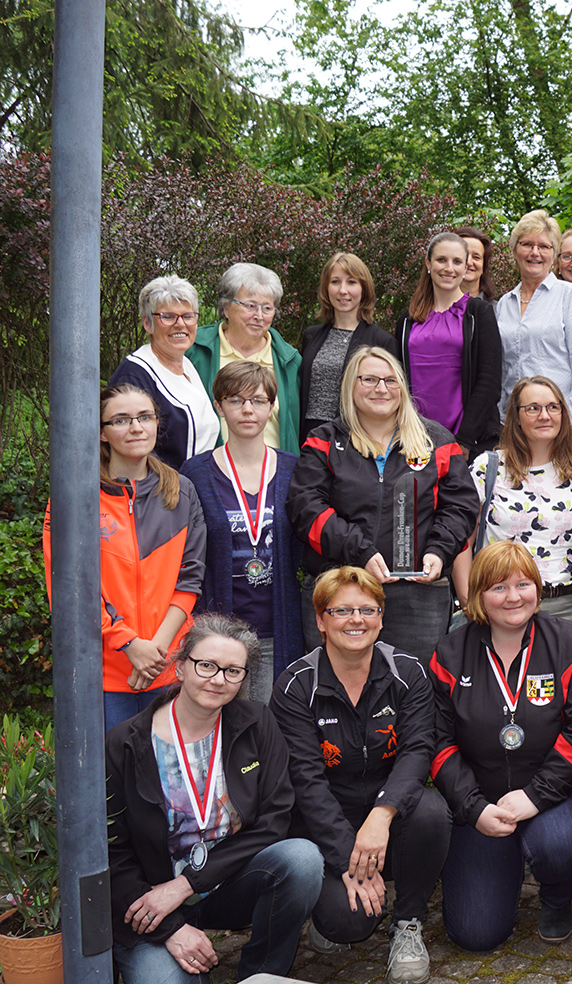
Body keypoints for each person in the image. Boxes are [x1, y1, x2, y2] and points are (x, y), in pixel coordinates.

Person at [105, 616, 323, 983]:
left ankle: (262, 975)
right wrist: (172, 927)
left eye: (233, 671)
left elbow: (275, 821)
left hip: (225, 883)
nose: (218, 679)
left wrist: (187, 884)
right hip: (152, 903)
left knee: (302, 860)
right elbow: (111, 851)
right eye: (206, 665)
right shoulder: (126, 743)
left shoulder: (257, 724)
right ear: (180, 667)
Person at [269, 567, 450, 983]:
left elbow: (418, 750)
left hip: (387, 809)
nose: (356, 619)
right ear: (320, 620)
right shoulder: (296, 686)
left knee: (432, 811)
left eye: (367, 609)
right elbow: (306, 782)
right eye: (342, 610)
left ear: (381, 618)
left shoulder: (408, 672)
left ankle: (408, 922)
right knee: (349, 925)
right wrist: (352, 862)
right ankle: (328, 899)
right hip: (324, 819)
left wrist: (382, 815)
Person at [430, 541, 572, 949]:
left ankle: (556, 895)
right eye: (498, 587)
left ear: (538, 589)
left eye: (523, 584)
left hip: (555, 793)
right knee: (475, 935)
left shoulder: (570, 643)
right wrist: (474, 808)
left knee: (560, 847)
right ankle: (503, 858)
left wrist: (535, 797)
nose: (513, 597)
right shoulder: (449, 653)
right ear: (478, 596)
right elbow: (437, 742)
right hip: (481, 799)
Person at [289, 347, 478, 661]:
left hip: (418, 596)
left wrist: (439, 551)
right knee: (335, 692)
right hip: (340, 590)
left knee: (413, 692)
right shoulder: (323, 441)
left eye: (391, 381)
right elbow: (305, 509)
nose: (381, 389)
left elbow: (462, 507)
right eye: (370, 379)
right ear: (350, 385)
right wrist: (360, 551)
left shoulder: (438, 442)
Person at [45, 384, 206, 728]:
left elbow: (190, 579)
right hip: (101, 674)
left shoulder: (181, 491)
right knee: (111, 779)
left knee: (167, 778)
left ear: (156, 423)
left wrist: (157, 652)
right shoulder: (74, 496)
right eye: (120, 420)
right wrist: (130, 645)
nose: (135, 428)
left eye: (144, 417)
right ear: (102, 433)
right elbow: (68, 588)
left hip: (169, 667)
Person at [182, 362, 302, 704]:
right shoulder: (196, 473)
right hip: (219, 630)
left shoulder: (295, 469)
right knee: (220, 721)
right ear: (219, 406)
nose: (248, 410)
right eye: (235, 400)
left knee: (272, 727)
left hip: (278, 625)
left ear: (272, 406)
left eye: (258, 400)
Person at [452, 376, 572, 626]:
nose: (544, 416)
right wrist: (467, 600)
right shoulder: (488, 468)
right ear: (515, 417)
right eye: (533, 408)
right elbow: (462, 538)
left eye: (553, 407)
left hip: (568, 607)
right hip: (501, 606)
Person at [393, 230, 505, 458]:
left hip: (466, 441)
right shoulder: (407, 320)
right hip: (415, 438)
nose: (449, 268)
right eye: (441, 260)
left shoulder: (479, 313)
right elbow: (397, 379)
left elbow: (490, 381)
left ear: (465, 268)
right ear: (428, 263)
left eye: (457, 262)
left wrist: (463, 440)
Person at [496, 210, 572, 436]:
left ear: (554, 254)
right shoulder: (505, 303)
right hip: (513, 421)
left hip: (557, 421)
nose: (535, 253)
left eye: (544, 246)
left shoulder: (568, 295)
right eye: (527, 244)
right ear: (514, 251)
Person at [187, 262, 303, 453]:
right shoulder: (196, 350)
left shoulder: (289, 361)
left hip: (277, 474)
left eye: (267, 308)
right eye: (250, 306)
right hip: (211, 473)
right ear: (226, 308)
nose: (259, 316)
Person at [107, 275, 219, 470]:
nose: (180, 324)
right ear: (147, 324)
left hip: (193, 492)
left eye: (188, 316)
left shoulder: (187, 366)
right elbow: (129, 448)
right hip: (159, 494)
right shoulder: (134, 376)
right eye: (167, 316)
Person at [298, 252, 400, 440]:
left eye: (351, 282)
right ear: (326, 288)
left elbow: (394, 397)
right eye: (335, 282)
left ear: (364, 289)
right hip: (309, 435)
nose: (342, 290)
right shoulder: (311, 335)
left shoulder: (381, 341)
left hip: (355, 437)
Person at [456, 225, 497, 303]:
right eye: (463, 255)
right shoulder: (434, 307)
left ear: (484, 266)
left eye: (476, 257)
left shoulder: (497, 311)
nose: (468, 262)